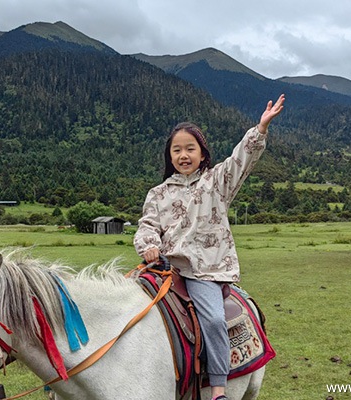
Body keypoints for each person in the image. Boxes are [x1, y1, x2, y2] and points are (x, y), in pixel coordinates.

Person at [134, 94, 285, 400]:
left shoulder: (216, 183)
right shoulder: (158, 193)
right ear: (170, 156)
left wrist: (260, 129)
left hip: (203, 272)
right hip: (165, 267)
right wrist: (149, 245)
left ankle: (217, 388)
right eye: (177, 150)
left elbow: (241, 160)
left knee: (214, 320)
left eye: (190, 148)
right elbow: (147, 226)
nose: (183, 154)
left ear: (203, 154)